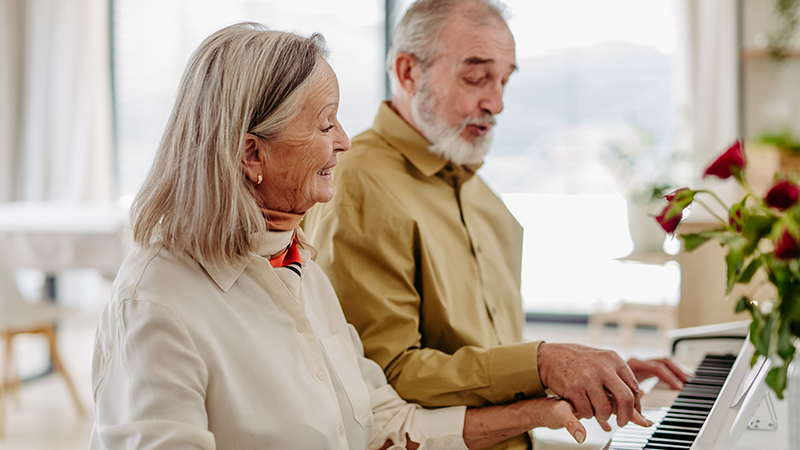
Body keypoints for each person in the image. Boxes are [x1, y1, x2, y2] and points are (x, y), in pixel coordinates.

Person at [88, 22, 612, 450]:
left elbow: (385, 423)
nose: (343, 142)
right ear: (252, 154)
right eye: (325, 124)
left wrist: (533, 413)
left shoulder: (300, 269)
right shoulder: (156, 304)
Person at [303, 1, 690, 449]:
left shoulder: (481, 195)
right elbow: (383, 380)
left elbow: (481, 362)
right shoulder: (357, 185)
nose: (497, 102)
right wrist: (542, 363)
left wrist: (581, 373)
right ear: (408, 72)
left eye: (505, 80)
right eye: (476, 77)